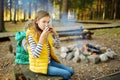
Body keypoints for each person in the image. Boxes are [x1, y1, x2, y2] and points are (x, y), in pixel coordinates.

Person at [26, 10, 74, 80]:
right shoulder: (31, 35)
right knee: (66, 74)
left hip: (49, 62)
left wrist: (55, 34)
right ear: (37, 21)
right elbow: (35, 55)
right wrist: (41, 39)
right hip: (39, 65)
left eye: (48, 22)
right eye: (44, 21)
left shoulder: (46, 33)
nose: (46, 24)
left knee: (71, 71)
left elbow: (57, 46)